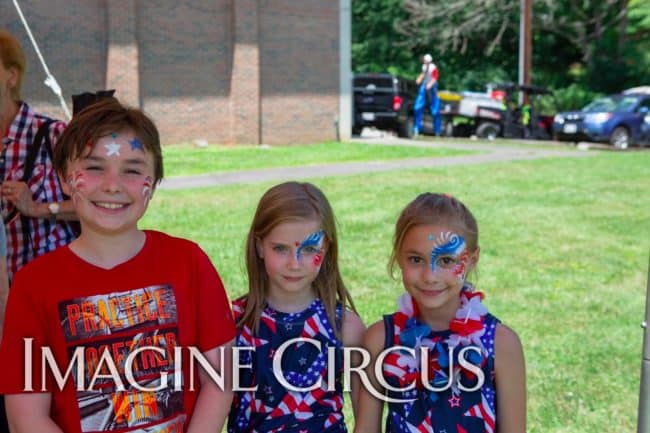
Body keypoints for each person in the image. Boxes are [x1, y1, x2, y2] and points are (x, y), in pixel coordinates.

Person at [0, 98, 237, 432]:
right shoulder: (33, 285)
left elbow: (220, 376)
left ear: (152, 184)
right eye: (95, 167)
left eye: (133, 170)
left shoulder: (189, 263)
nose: (112, 185)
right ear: (66, 180)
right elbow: (27, 415)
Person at [354, 193, 526, 433]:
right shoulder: (380, 339)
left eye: (446, 260)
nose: (430, 276)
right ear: (398, 257)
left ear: (472, 260)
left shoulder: (501, 345)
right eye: (416, 259)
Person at [228, 181, 366, 433]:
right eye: (280, 248)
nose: (295, 263)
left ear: (326, 249)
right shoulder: (232, 323)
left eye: (309, 249)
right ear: (259, 246)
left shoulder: (345, 327)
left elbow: (366, 422)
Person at [0, 29, 77, 283]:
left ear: (11, 76)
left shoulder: (51, 134)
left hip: (50, 285)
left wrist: (36, 208)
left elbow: (93, 206)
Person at [413, 54, 442, 136]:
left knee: (435, 110)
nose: (424, 61)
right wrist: (419, 78)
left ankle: (437, 131)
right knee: (417, 108)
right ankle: (416, 128)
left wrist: (430, 84)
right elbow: (423, 74)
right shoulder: (424, 67)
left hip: (432, 86)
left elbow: (435, 77)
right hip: (425, 85)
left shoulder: (433, 67)